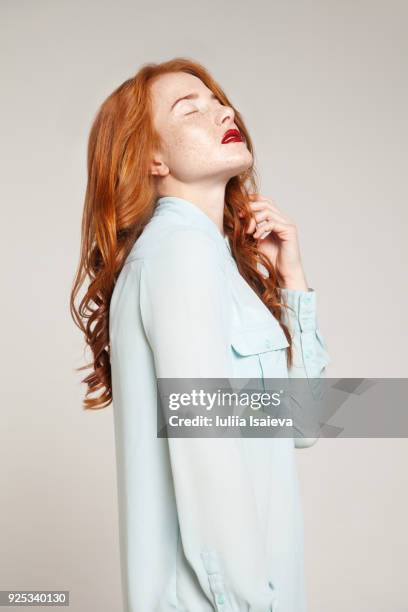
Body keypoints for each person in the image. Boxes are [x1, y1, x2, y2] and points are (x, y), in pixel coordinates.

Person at [70, 57, 330, 612]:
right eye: (190, 108)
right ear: (151, 158)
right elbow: (205, 457)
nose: (222, 111)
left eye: (218, 102)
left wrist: (293, 280)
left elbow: (303, 425)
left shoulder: (214, 267)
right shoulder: (177, 252)